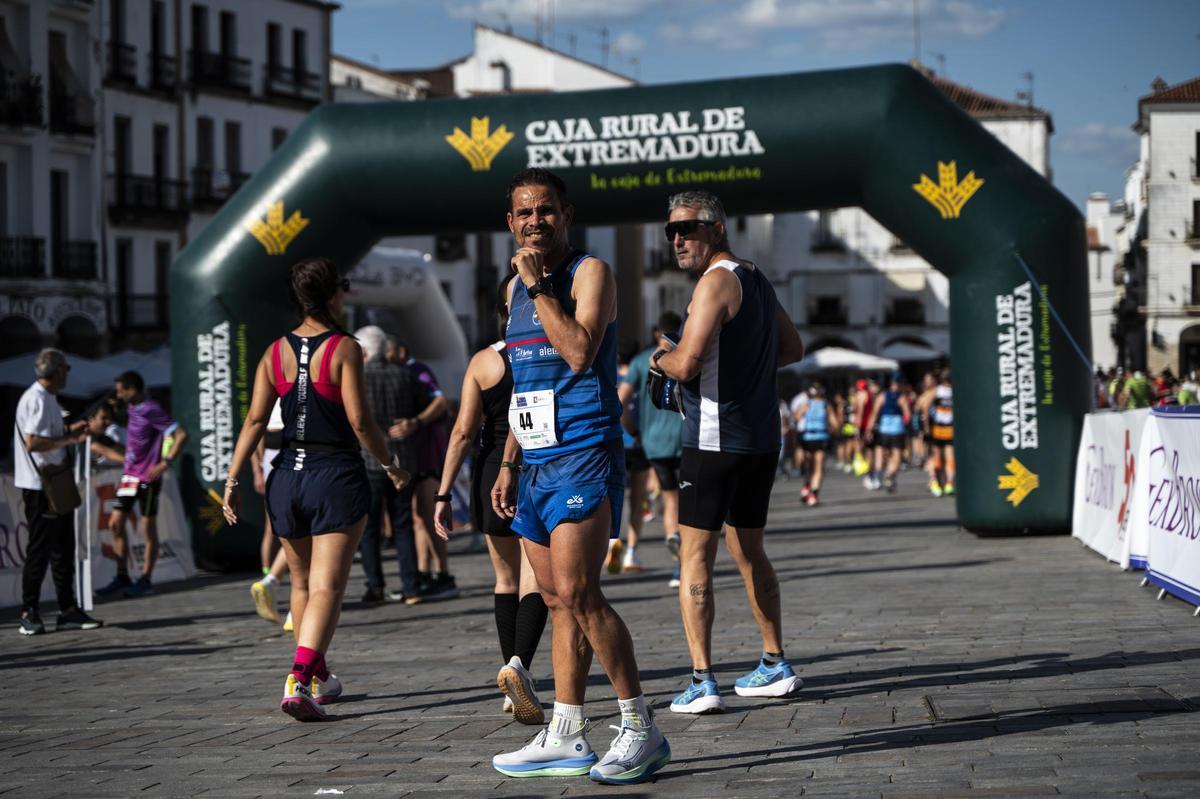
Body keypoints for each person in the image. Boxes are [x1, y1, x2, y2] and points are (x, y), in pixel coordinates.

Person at [489, 168, 670, 784]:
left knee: (582, 593)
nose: (534, 221)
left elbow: (577, 352)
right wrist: (510, 461)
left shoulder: (588, 273)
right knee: (555, 600)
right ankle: (567, 731)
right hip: (534, 460)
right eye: (523, 213)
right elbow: (525, 383)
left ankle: (641, 728)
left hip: (584, 451)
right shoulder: (514, 291)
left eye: (545, 211)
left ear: (566, 214)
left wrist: (540, 288)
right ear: (509, 222)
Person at [221, 258, 412, 721]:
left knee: (303, 583)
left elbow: (254, 420)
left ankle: (319, 675)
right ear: (333, 296)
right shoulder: (345, 348)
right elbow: (361, 421)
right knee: (330, 585)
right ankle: (299, 679)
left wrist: (230, 479)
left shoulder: (274, 351)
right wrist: (390, 464)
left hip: (287, 474)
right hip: (334, 473)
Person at [652, 190, 805, 715]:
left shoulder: (715, 282)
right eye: (670, 231)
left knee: (696, 556)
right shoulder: (755, 277)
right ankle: (774, 662)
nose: (677, 239)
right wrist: (745, 372)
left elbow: (687, 364)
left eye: (687, 228)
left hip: (712, 442)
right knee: (750, 552)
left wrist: (660, 358)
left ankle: (702, 680)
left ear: (716, 228)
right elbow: (792, 349)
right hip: (759, 440)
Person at [433, 275, 549, 725]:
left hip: (487, 477)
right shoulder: (545, 352)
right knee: (533, 579)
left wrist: (444, 492)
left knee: (504, 579)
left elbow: (462, 432)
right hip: (536, 469)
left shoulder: (484, 361)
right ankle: (520, 666)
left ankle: (511, 674)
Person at [13, 348, 103, 635]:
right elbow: (34, 442)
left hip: (54, 482)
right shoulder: (36, 399)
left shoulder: (47, 398)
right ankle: (29, 611)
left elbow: (47, 432)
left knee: (63, 547)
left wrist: (69, 427)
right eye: (66, 368)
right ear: (56, 371)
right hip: (41, 485)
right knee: (40, 550)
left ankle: (67, 609)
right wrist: (70, 438)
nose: (68, 373)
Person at [354, 325, 432, 606]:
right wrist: (412, 423)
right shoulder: (405, 375)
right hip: (404, 459)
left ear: (363, 351)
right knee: (403, 525)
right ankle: (411, 586)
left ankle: (375, 585)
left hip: (369, 459)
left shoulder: (358, 378)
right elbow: (428, 405)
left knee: (370, 527)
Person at [96, 370, 188, 598]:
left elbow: (181, 434)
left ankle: (145, 579)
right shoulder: (130, 408)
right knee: (116, 523)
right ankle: (122, 576)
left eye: (121, 391)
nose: (118, 395)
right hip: (130, 475)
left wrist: (165, 463)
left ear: (133, 390)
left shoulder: (152, 409)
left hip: (147, 477)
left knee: (147, 528)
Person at [621, 311, 686, 587]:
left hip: (654, 442)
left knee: (667, 499)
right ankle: (679, 564)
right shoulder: (689, 356)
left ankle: (671, 541)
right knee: (684, 502)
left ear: (657, 331)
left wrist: (635, 432)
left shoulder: (640, 361)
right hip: (688, 439)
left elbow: (619, 402)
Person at [391, 342, 457, 601]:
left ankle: (443, 574)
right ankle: (422, 574)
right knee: (419, 516)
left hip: (428, 453)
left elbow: (440, 401)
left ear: (399, 350)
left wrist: (416, 422)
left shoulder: (416, 369)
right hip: (415, 455)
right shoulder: (400, 371)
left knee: (430, 514)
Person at [611, 342, 651, 573]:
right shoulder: (643, 377)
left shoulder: (611, 376)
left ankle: (612, 543)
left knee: (612, 500)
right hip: (639, 444)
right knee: (637, 500)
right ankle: (632, 553)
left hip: (615, 443)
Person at [250, 399, 291, 624]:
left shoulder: (274, 391)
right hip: (285, 457)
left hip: (273, 459)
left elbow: (253, 430)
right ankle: (270, 579)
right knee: (296, 531)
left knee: (275, 528)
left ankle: (269, 578)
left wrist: (257, 468)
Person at [866, 373, 910, 494]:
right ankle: (890, 474)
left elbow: (874, 414)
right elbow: (907, 415)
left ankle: (879, 477)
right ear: (900, 384)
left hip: (884, 430)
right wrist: (906, 424)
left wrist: (869, 430)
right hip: (897, 430)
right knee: (896, 456)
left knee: (881, 454)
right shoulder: (901, 397)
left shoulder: (882, 396)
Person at [799, 384, 837, 507]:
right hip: (821, 437)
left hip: (808, 438)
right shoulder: (826, 405)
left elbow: (796, 416)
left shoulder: (807, 404)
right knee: (819, 468)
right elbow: (835, 423)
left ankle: (807, 486)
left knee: (810, 466)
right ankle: (813, 494)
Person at [927, 370, 955, 496]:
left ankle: (935, 482)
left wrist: (926, 425)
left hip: (938, 428)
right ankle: (949, 482)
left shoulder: (937, 390)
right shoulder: (954, 391)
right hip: (949, 428)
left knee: (936, 457)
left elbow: (925, 406)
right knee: (949, 457)